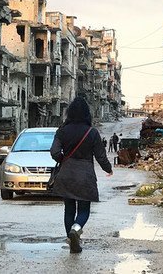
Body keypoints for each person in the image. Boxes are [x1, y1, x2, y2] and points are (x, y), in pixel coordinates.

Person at [50, 97, 113, 253]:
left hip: (66, 174)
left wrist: (63, 159)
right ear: (87, 114)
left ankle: (71, 240)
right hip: (85, 176)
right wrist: (108, 169)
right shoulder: (92, 132)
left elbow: (54, 152)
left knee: (69, 209)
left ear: (69, 113)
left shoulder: (62, 130)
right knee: (84, 210)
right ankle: (76, 229)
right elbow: (101, 156)